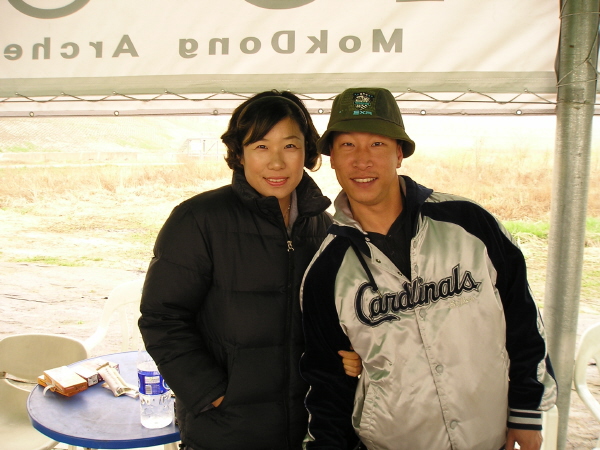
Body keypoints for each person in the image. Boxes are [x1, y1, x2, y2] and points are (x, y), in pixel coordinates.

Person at [299, 87, 557, 450]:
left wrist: (526, 411)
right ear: (332, 158)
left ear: (399, 154)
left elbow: (523, 320)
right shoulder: (327, 270)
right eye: (347, 145)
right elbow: (327, 382)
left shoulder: (471, 224)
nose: (362, 160)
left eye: (377, 144)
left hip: (489, 437)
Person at [138, 90, 361, 450]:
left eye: (290, 146)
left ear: (307, 152)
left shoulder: (325, 227)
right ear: (239, 154)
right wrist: (209, 393)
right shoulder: (199, 220)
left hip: (308, 429)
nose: (277, 162)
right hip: (226, 431)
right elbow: (162, 318)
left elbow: (335, 318)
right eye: (261, 146)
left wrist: (350, 352)